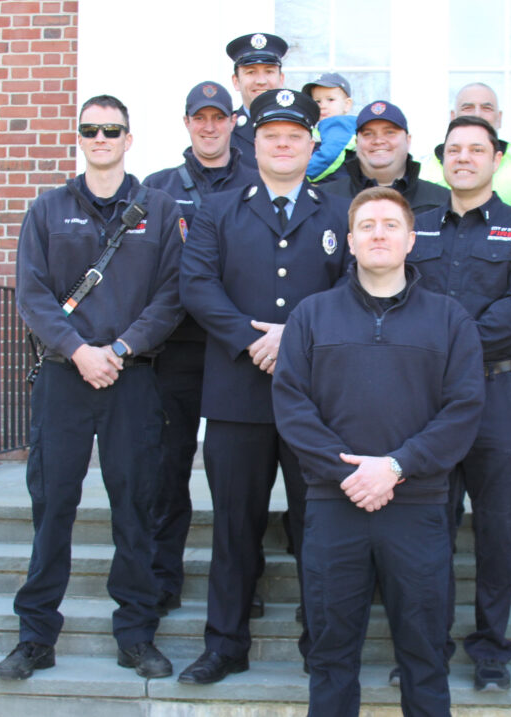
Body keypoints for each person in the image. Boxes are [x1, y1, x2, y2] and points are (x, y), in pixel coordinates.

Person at [272, 186, 485, 717]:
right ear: (349, 241)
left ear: (412, 240)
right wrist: (348, 473)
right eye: (367, 226)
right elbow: (293, 406)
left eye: (391, 225)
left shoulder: (449, 319)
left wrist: (395, 466)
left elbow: (463, 409)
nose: (379, 234)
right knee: (331, 656)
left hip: (418, 508)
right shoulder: (311, 316)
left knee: (425, 656)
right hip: (332, 506)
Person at [0, 94, 183, 681]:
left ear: (130, 139)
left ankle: (134, 634)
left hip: (133, 379)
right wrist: (79, 351)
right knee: (53, 507)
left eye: (113, 130)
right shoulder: (48, 209)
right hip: (64, 378)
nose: (101, 138)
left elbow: (172, 296)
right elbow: (31, 294)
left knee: (135, 509)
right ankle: (35, 637)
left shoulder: (160, 207)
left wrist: (119, 350)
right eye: (91, 129)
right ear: (79, 138)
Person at [177, 88, 351, 684]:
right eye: (272, 135)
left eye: (295, 135)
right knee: (233, 526)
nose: (283, 144)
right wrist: (253, 339)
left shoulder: (339, 212)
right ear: (257, 142)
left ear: (311, 145)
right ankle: (225, 645)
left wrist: (293, 339)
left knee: (318, 528)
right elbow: (196, 284)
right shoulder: (219, 208)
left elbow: (353, 290)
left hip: (314, 400)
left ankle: (320, 644)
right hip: (236, 395)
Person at [409, 116, 511, 691]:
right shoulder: (414, 228)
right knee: (427, 528)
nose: (464, 158)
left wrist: (448, 342)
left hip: (496, 393)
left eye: (477, 149)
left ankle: (491, 651)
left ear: (497, 160)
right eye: (454, 150)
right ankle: (427, 648)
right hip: (425, 399)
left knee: (498, 528)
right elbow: (398, 294)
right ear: (442, 159)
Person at [142, 81, 258, 617]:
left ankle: (243, 583)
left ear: (234, 120)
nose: (209, 127)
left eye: (218, 117)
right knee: (168, 467)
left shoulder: (259, 183)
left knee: (241, 473)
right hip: (177, 350)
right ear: (186, 123)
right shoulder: (158, 187)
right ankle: (163, 576)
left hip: (238, 347)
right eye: (199, 118)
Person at [419, 82, 511, 213]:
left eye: (486, 108)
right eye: (468, 107)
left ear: (499, 118)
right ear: (452, 117)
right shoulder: (420, 172)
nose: (477, 114)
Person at [317, 100, 449, 213]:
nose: (379, 140)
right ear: (357, 143)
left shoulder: (442, 201)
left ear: (408, 141)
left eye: (390, 132)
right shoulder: (324, 199)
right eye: (368, 134)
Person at [226, 32, 288, 171]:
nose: (261, 81)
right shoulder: (224, 133)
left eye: (269, 71)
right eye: (251, 72)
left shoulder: (302, 130)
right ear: (236, 81)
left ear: (281, 79)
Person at [302, 72, 357, 182]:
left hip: (336, 186)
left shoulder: (338, 124)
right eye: (317, 101)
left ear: (347, 105)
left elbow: (329, 155)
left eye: (330, 100)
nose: (323, 106)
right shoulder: (321, 127)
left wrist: (302, 175)